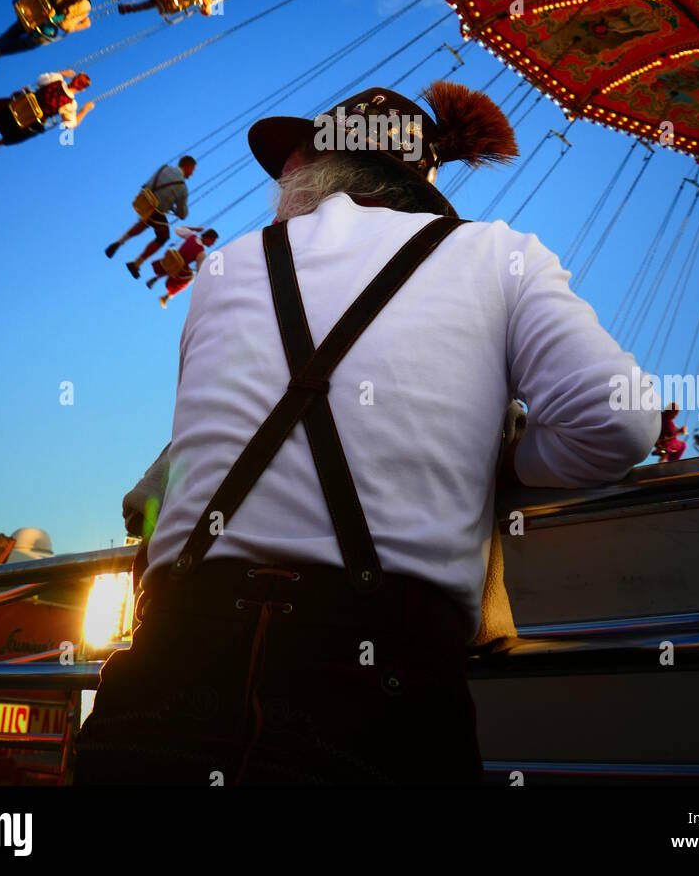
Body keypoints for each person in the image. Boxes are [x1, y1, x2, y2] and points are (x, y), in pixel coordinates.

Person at [74, 81, 661, 787]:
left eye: (288, 162)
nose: (280, 178)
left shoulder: (226, 265)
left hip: (166, 664)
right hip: (374, 685)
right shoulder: (497, 255)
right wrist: (495, 463)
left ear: (316, 170)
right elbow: (619, 423)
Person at [106, 157, 197, 278]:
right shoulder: (182, 187)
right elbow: (183, 214)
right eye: (192, 170)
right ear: (188, 167)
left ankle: (119, 242)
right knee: (163, 237)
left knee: (145, 221)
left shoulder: (164, 168)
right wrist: (174, 208)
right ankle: (136, 263)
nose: (192, 174)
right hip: (157, 210)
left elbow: (147, 183)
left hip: (145, 200)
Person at [0, 69, 93, 149]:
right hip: (31, 120)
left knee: (11, 107)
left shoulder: (56, 79)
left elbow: (40, 80)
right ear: (82, 89)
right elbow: (70, 125)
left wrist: (62, 73)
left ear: (74, 78)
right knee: (27, 132)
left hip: (20, 105)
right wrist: (85, 110)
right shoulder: (71, 105)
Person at [146, 226, 219, 308]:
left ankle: (156, 278)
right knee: (190, 277)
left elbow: (177, 229)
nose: (212, 244)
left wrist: (195, 229)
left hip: (171, 259)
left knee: (175, 265)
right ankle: (167, 296)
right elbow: (199, 272)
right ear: (207, 238)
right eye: (212, 241)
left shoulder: (191, 235)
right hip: (179, 268)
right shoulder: (202, 254)